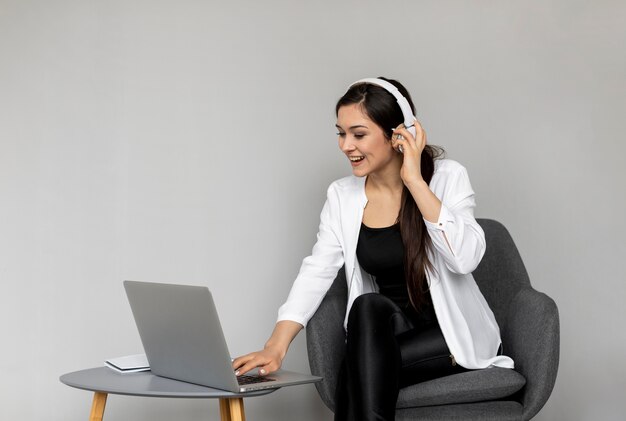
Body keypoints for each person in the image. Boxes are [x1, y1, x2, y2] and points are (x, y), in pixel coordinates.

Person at [233, 77, 514, 421]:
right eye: (341, 133)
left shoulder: (447, 177)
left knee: (358, 370)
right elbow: (317, 269)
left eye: (359, 134)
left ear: (398, 134)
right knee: (366, 307)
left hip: (452, 335)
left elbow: (464, 258)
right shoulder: (342, 195)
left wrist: (414, 180)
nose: (346, 145)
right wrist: (275, 345)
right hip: (387, 330)